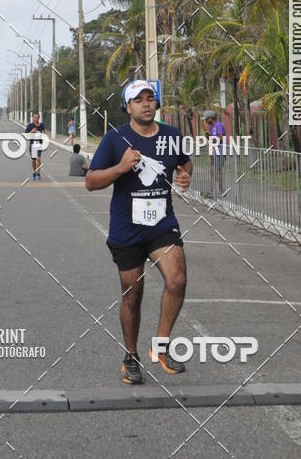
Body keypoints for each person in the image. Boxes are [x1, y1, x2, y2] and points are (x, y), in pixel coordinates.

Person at [86, 80, 192, 385]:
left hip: (161, 224)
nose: (146, 104)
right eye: (138, 100)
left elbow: (185, 164)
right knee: (133, 294)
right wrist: (120, 168)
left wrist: (185, 177)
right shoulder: (115, 138)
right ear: (128, 106)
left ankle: (160, 346)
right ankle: (130, 357)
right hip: (127, 228)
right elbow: (91, 181)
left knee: (178, 279)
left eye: (151, 98)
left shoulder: (172, 136)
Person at [203, 109, 226, 198]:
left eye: (206, 119)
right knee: (212, 171)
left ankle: (221, 191)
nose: (205, 121)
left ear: (211, 118)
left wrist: (212, 140)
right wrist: (206, 132)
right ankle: (212, 190)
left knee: (218, 171)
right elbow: (209, 138)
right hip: (214, 151)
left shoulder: (218, 125)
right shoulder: (211, 127)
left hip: (220, 151)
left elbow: (220, 137)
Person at [25, 111, 46, 181]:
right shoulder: (30, 126)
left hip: (39, 144)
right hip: (33, 145)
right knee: (34, 160)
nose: (35, 119)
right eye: (34, 117)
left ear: (39, 118)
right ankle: (34, 172)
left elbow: (43, 133)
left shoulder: (42, 125)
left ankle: (38, 173)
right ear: (32, 118)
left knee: (38, 159)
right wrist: (32, 131)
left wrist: (43, 134)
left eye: (37, 117)